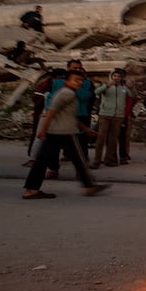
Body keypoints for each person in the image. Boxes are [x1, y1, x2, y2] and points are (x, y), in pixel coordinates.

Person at [22, 70, 109, 199]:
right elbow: (51, 112)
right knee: (79, 160)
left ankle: (31, 189)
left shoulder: (65, 92)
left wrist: (85, 129)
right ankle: (89, 186)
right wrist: (42, 131)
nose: (79, 83)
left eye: (80, 80)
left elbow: (69, 115)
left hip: (55, 132)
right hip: (65, 132)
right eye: (75, 80)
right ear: (67, 81)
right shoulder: (67, 93)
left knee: (41, 161)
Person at [43, 60, 94, 179]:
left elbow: (86, 97)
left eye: (79, 68)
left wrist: (74, 85)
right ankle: (53, 168)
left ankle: (82, 172)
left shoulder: (86, 83)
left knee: (80, 145)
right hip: (61, 117)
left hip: (81, 115)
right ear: (68, 69)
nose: (78, 70)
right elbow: (51, 98)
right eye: (74, 68)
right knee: (54, 146)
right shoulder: (57, 82)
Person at [92, 69, 129, 168]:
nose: (116, 78)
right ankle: (97, 160)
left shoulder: (123, 88)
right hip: (105, 115)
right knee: (101, 138)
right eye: (114, 76)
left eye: (118, 76)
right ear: (111, 77)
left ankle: (109, 159)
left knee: (113, 140)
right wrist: (106, 86)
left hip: (118, 116)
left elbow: (132, 95)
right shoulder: (106, 86)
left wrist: (131, 87)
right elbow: (96, 92)